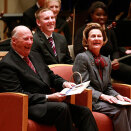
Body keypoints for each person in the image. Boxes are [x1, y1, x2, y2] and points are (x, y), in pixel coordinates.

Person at [0, 25, 98, 131]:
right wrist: (49, 97)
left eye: (31, 38)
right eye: (25, 39)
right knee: (62, 108)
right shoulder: (7, 64)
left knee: (85, 112)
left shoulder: (35, 55)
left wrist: (64, 84)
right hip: (29, 106)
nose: (30, 42)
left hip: (47, 102)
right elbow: (16, 95)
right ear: (14, 41)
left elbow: (50, 76)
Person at [73, 22, 131, 131]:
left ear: (103, 40)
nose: (96, 39)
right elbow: (82, 86)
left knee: (128, 106)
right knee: (120, 110)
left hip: (103, 100)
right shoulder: (82, 58)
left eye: (99, 36)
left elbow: (108, 87)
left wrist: (118, 96)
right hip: (90, 100)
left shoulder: (106, 60)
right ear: (86, 40)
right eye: (93, 36)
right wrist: (103, 96)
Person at [73, 1, 131, 84]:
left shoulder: (109, 31)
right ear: (91, 15)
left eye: (104, 15)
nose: (102, 17)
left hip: (110, 66)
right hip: (92, 66)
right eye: (98, 15)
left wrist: (115, 60)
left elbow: (115, 50)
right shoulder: (82, 31)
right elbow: (78, 51)